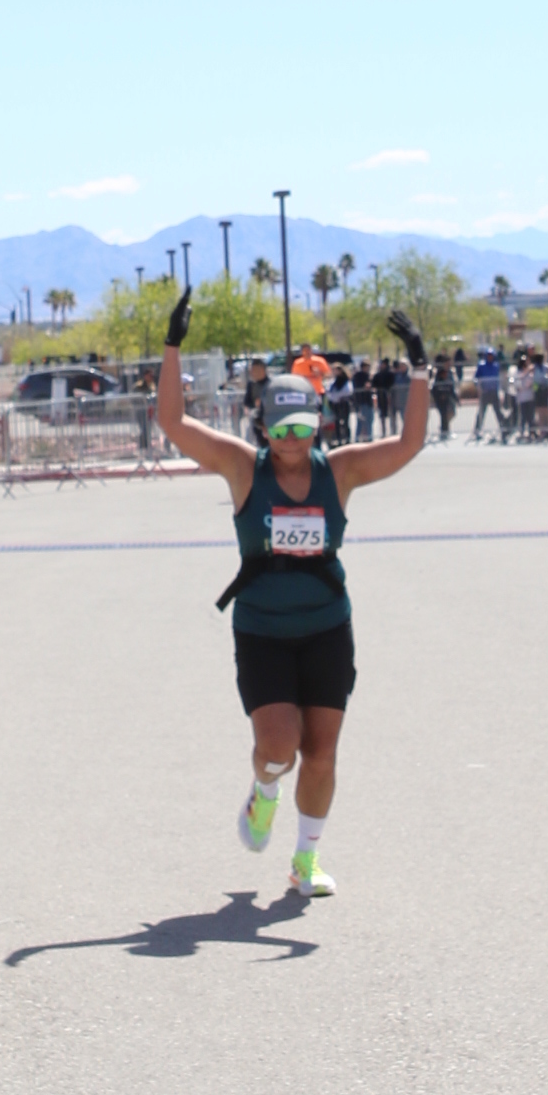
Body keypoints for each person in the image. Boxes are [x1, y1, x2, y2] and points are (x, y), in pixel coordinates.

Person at [154, 286, 430, 899]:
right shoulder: (242, 467)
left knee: (323, 752)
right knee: (279, 747)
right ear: (263, 426)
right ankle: (264, 791)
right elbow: (173, 424)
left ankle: (305, 860)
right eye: (280, 426)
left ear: (318, 424)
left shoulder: (341, 471)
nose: (291, 438)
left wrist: (420, 366)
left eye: (303, 426)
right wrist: (172, 346)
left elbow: (409, 445)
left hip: (327, 626)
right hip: (263, 629)